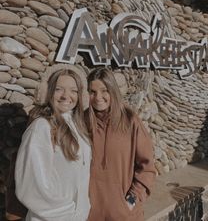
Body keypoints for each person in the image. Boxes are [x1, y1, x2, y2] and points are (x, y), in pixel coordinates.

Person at [14, 69, 91, 221]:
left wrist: (82, 208)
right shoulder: (41, 127)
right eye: (58, 89)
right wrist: (67, 212)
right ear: (49, 91)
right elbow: (30, 185)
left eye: (73, 91)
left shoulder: (77, 125)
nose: (66, 96)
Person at [86, 67, 156, 221]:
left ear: (113, 90)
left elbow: (147, 167)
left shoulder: (130, 120)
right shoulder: (82, 122)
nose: (98, 97)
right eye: (93, 91)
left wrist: (132, 199)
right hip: (89, 215)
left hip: (124, 215)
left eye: (104, 90)